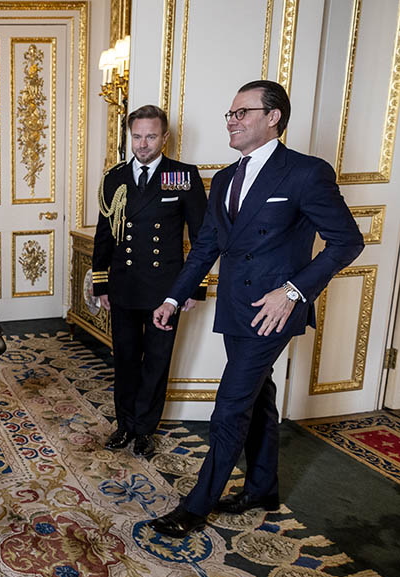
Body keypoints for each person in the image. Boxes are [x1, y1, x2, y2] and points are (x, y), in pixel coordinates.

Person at [148, 80, 364, 537]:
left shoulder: (307, 172)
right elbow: (206, 246)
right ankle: (262, 487)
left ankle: (195, 506)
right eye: (230, 113)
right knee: (258, 396)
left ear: (273, 117)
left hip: (273, 310)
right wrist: (173, 296)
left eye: (242, 112)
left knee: (228, 407)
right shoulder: (225, 178)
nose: (232, 120)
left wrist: (292, 292)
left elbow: (348, 241)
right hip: (235, 306)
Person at [92, 104, 207, 457]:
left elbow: (202, 237)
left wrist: (192, 288)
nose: (142, 144)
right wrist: (101, 284)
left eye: (151, 136)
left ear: (165, 137)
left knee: (156, 361)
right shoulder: (115, 177)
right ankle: (125, 425)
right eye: (137, 136)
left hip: (165, 291)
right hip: (125, 286)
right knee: (125, 360)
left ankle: (145, 429)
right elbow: (104, 234)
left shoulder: (183, 176)